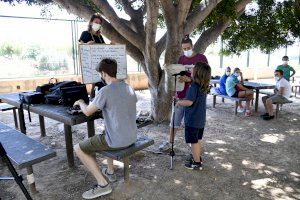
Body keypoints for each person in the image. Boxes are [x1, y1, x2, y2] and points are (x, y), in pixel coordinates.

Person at [73, 58, 137, 199]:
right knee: (106, 132)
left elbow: (88, 111)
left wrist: (81, 102)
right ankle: (109, 171)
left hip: (117, 140)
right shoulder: (128, 87)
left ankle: (103, 185)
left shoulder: (105, 91)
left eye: (100, 74)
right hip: (132, 136)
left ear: (103, 74)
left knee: (78, 148)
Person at [158, 34, 208, 152]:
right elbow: (176, 76)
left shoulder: (202, 58)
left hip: (194, 98)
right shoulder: (181, 59)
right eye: (184, 49)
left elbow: (206, 78)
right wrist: (170, 72)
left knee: (192, 123)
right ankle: (170, 143)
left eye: (188, 48)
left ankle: (194, 145)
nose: (186, 51)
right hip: (180, 95)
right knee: (175, 121)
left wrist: (190, 79)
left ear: (192, 46)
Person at [175, 62, 211, 170]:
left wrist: (179, 102)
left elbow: (189, 102)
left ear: (197, 73)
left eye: (193, 69)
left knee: (193, 141)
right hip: (200, 120)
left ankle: (196, 163)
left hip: (192, 120)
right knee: (198, 139)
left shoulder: (193, 86)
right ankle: (197, 157)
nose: (191, 70)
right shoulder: (203, 86)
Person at [79, 13, 106, 98]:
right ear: (91, 23)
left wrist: (111, 45)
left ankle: (98, 101)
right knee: (95, 84)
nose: (97, 24)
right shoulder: (85, 33)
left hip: (101, 63)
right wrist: (87, 44)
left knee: (101, 83)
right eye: (96, 22)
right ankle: (93, 101)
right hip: (90, 63)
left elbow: (105, 48)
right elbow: (80, 46)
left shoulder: (100, 36)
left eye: (99, 23)